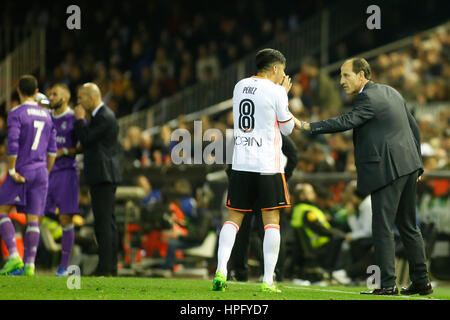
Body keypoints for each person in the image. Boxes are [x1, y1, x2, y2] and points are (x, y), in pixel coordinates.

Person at [300, 57, 432, 296]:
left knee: (381, 227)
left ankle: (387, 284)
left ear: (362, 76)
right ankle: (422, 281)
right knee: (408, 226)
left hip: (388, 169)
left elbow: (347, 121)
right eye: (340, 76)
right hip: (408, 166)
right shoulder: (391, 92)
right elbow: (413, 126)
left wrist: (310, 126)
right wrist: (418, 165)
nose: (341, 81)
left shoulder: (367, 97)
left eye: (346, 75)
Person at [212, 48, 304, 293]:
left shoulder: (240, 86)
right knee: (271, 221)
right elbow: (287, 130)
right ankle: (268, 280)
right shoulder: (276, 91)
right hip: (267, 166)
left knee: (233, 219)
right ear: (274, 69)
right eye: (282, 71)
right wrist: (283, 95)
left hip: (241, 163)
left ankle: (221, 269)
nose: (283, 75)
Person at [0, 75, 57, 276]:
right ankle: (30, 265)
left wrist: (13, 169)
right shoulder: (47, 115)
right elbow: (52, 151)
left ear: (18, 91)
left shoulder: (16, 113)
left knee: (2, 210)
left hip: (21, 170)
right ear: (36, 91)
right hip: (41, 171)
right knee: (34, 220)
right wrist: (45, 173)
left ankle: (14, 257)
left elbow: (13, 144)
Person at [229, 134, 299, 282]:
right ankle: (242, 272)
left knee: (266, 230)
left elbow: (292, 153)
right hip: (258, 188)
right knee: (250, 231)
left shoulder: (263, 131)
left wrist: (282, 178)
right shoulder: (250, 132)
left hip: (261, 188)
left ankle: (271, 272)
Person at [74, 83, 122, 276]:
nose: (78, 102)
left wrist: (79, 120)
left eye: (80, 98)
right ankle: (109, 267)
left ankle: (106, 267)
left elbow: (86, 139)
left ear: (91, 98)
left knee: (104, 222)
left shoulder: (104, 117)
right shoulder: (101, 116)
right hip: (103, 174)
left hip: (104, 175)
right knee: (107, 222)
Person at [44, 83, 80, 277]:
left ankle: (64, 266)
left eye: (54, 94)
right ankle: (27, 263)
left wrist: (64, 151)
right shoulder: (46, 118)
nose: (50, 97)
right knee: (34, 215)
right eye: (49, 94)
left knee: (66, 218)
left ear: (64, 98)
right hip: (46, 172)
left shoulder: (74, 118)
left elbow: (84, 144)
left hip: (66, 172)